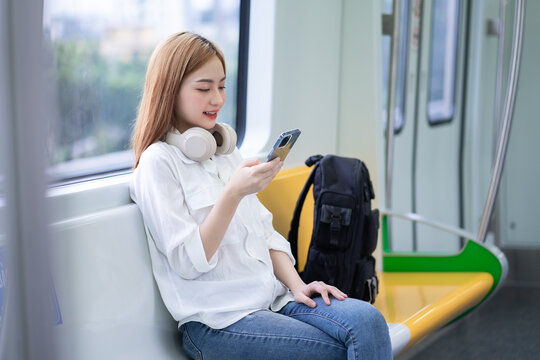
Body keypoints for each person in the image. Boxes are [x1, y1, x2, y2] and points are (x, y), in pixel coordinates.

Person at [130, 31, 392, 360]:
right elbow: (187, 262)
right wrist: (233, 195)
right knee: (335, 352)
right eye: (204, 88)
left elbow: (265, 235)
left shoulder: (225, 154)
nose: (217, 99)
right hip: (219, 323)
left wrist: (298, 287)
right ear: (170, 90)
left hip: (274, 300)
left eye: (222, 86)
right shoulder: (158, 163)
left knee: (369, 322)